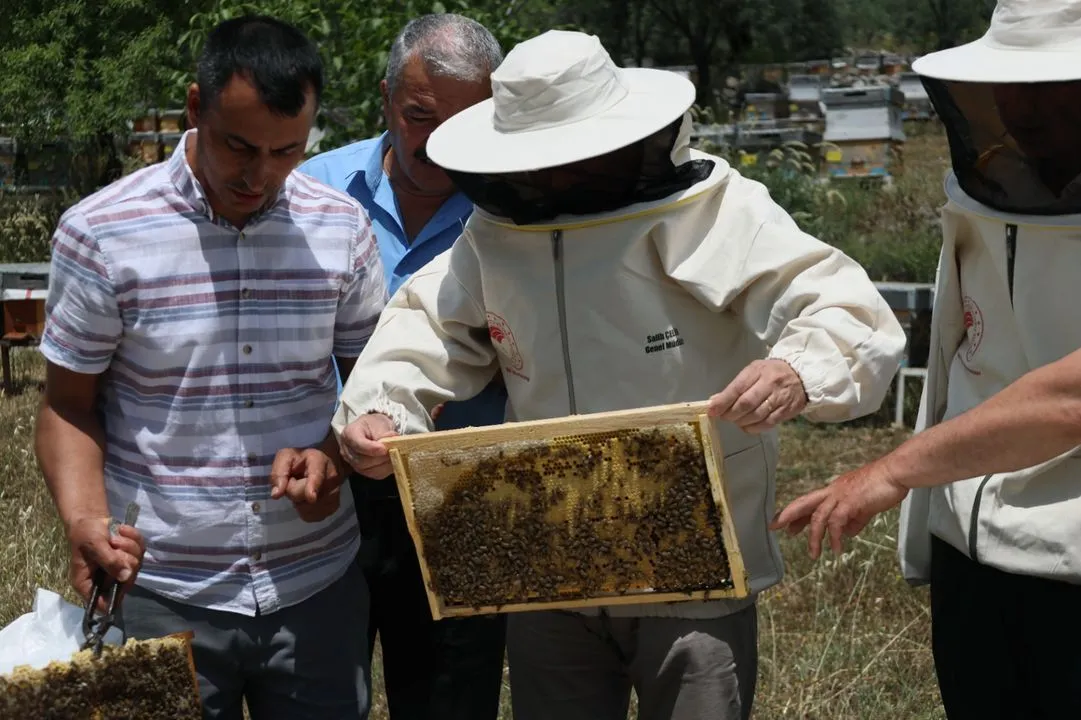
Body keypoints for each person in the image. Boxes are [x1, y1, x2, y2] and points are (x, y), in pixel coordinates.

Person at [324, 29, 906, 720]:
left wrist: (795, 367)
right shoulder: (501, 229)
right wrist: (382, 406)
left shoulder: (714, 210)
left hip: (694, 567)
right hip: (547, 561)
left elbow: (840, 302)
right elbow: (425, 321)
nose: (551, 176)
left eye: (567, 158)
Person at [34, 15, 387, 720]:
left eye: (287, 151)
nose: (260, 176)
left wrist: (333, 456)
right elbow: (68, 404)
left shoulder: (340, 227)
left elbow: (378, 382)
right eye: (239, 147)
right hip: (164, 590)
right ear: (194, 108)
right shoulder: (102, 232)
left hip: (315, 583)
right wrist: (84, 518)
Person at [773, 2, 1081, 717]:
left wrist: (892, 470)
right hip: (972, 554)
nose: (1018, 107)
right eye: (1007, 83)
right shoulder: (991, 189)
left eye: (1049, 84)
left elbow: (1068, 399)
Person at [298, 14, 508, 720]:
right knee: (321, 688)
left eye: (465, 120)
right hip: (328, 486)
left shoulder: (513, 209)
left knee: (451, 694)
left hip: (464, 491)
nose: (438, 141)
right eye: (419, 116)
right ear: (387, 96)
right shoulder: (310, 192)